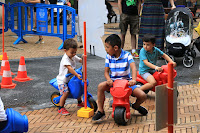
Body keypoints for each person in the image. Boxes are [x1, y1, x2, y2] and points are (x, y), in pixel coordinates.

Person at [92, 34, 148, 122]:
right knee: (100, 86)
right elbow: (106, 72)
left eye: (107, 47)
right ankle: (101, 111)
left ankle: (136, 106)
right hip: (113, 83)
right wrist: (108, 80)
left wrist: (133, 80)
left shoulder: (127, 55)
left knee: (142, 95)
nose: (105, 49)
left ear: (115, 48)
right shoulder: (108, 56)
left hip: (127, 83)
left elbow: (133, 68)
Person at [56, 39, 84, 115]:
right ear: (65, 51)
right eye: (72, 52)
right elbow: (70, 68)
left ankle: (79, 102)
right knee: (65, 93)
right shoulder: (65, 59)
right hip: (63, 81)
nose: (74, 54)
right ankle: (61, 108)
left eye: (75, 52)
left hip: (70, 79)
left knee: (78, 87)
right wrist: (77, 74)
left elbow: (80, 60)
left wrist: (83, 59)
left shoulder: (72, 56)